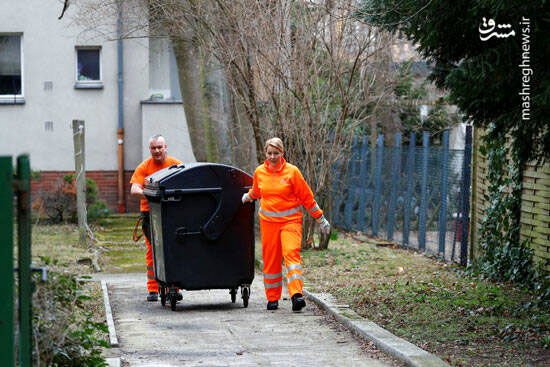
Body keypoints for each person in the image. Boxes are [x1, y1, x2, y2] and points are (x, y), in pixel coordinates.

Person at [242, 137, 331, 311]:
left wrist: (320, 218)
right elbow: (257, 191)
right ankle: (272, 298)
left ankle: (296, 295)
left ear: (282, 153)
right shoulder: (259, 172)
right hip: (268, 223)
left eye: (276, 153)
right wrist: (248, 197)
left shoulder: (292, 172)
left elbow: (307, 198)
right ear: (265, 153)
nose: (272, 157)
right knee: (271, 261)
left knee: (291, 254)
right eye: (269, 153)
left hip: (291, 222)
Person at [130, 134, 182, 302]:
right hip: (150, 213)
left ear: (165, 147)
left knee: (174, 248)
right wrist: (152, 195)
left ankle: (174, 287)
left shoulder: (176, 165)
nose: (157, 150)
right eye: (153, 148)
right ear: (150, 149)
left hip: (172, 211)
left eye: (160, 147)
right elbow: (135, 190)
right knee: (153, 250)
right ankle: (153, 288)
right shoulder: (144, 167)